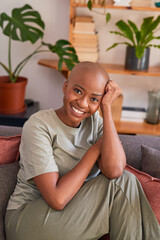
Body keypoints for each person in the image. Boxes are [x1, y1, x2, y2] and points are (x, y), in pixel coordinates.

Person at [5, 62, 160, 240]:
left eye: (94, 99)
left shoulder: (96, 122)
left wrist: (107, 109)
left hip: (72, 211)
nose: (83, 103)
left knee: (126, 179)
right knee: (121, 184)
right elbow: (57, 199)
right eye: (77, 91)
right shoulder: (39, 125)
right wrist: (94, 150)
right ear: (65, 87)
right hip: (28, 220)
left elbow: (115, 170)